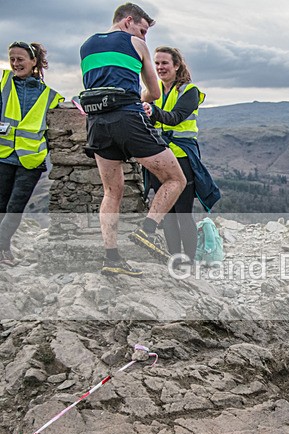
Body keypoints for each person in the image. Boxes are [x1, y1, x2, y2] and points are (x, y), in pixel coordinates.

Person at [79, 3, 186, 277]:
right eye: (142, 30)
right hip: (127, 119)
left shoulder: (86, 45)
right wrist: (141, 98)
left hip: (96, 123)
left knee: (111, 192)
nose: (144, 37)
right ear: (128, 21)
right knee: (176, 179)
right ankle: (147, 231)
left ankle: (111, 258)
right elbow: (154, 92)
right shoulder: (135, 44)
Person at [144, 46, 220, 267]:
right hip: (159, 156)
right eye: (156, 63)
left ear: (177, 65)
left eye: (165, 63)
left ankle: (189, 260)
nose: (160, 67)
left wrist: (152, 111)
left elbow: (176, 117)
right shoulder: (153, 90)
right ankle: (174, 259)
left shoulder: (190, 91)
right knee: (167, 212)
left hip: (182, 157)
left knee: (183, 212)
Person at [0, 41, 64, 266]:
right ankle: (3, 250)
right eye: (13, 59)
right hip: (3, 155)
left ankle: (2, 249)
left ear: (33, 61)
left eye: (20, 59)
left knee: (15, 208)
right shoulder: (3, 83)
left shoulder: (50, 96)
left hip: (31, 160)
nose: (16, 64)